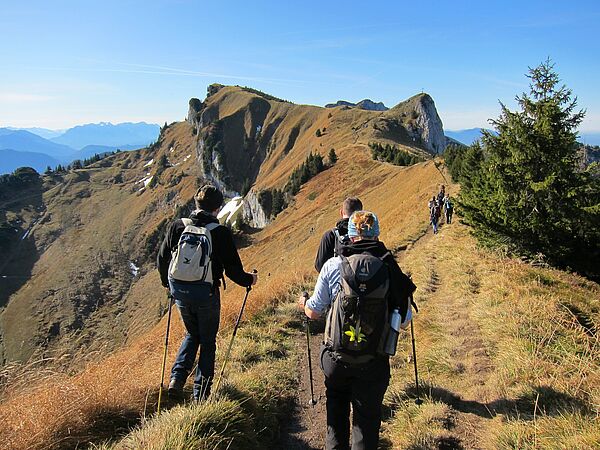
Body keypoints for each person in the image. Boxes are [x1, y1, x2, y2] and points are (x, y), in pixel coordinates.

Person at [299, 211, 416, 450]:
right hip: (374, 361)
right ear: (377, 235)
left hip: (335, 359)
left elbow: (313, 312)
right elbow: (404, 322)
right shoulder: (389, 268)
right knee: (367, 422)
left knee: (336, 415)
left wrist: (303, 303)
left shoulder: (334, 265)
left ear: (350, 236)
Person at [157, 184, 257, 401]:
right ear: (218, 207)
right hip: (206, 294)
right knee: (208, 340)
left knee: (192, 334)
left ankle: (177, 378)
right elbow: (233, 270)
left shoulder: (177, 226)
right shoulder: (219, 232)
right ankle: (200, 394)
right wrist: (250, 280)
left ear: (196, 203)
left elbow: (162, 258)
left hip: (180, 292)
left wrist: (168, 285)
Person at [314, 197, 363, 272]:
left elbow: (320, 266)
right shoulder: (367, 234)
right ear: (361, 214)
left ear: (341, 212)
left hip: (340, 281)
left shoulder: (330, 235)